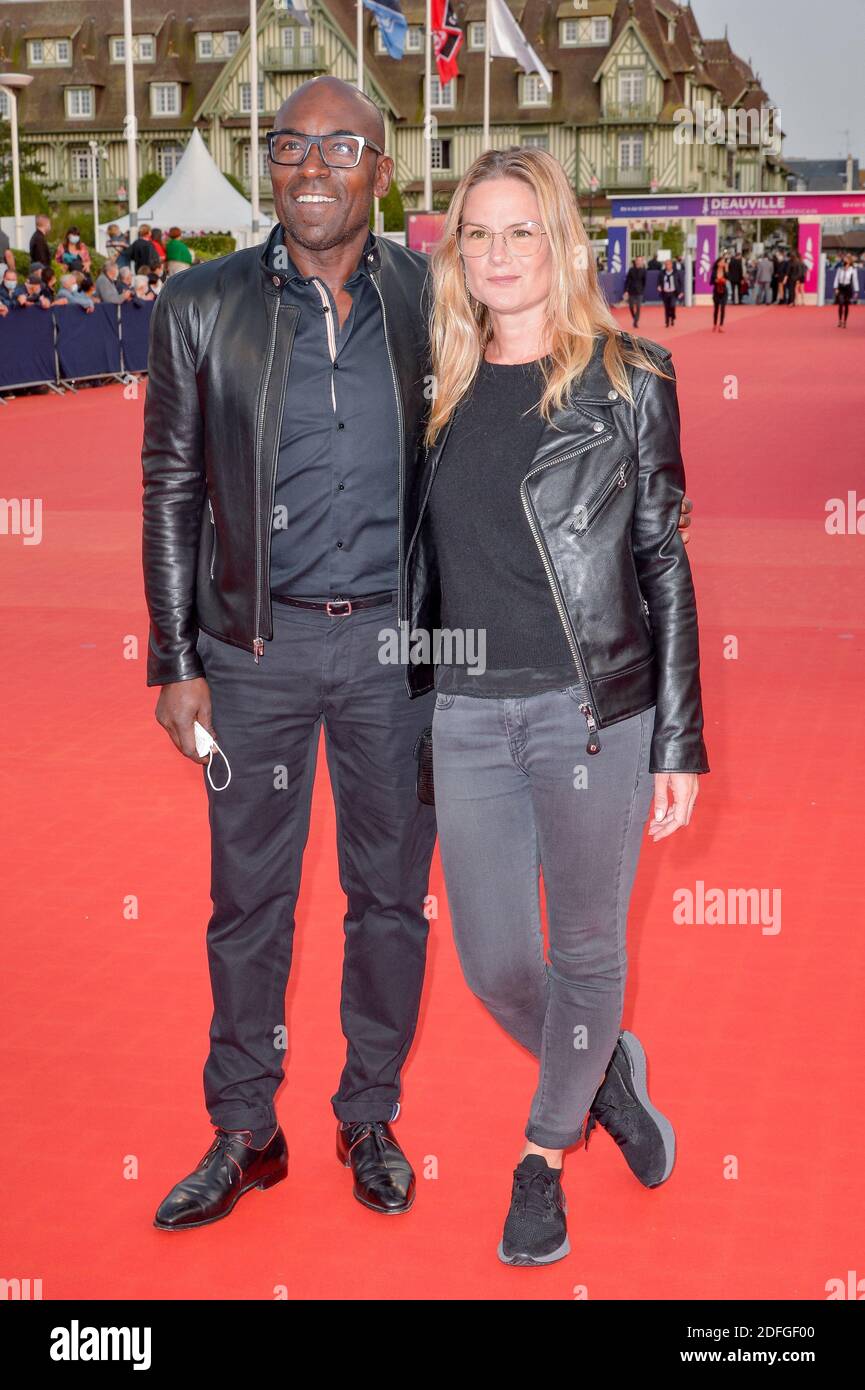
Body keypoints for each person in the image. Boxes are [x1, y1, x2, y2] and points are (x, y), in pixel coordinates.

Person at [142, 76, 695, 1235]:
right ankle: (245, 1128)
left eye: (339, 147)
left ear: (379, 172)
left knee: (391, 902)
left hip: (407, 659)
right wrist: (173, 656)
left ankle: (368, 1114)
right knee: (247, 903)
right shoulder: (201, 305)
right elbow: (172, 485)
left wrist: (674, 729)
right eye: (288, 146)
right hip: (252, 653)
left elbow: (634, 536)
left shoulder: (420, 302)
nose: (310, 168)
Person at [405, 146, 708, 1266]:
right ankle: (604, 1076)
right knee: (491, 958)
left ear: (562, 241)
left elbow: (663, 565)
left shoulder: (632, 378)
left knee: (584, 951)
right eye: (475, 233)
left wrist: (678, 738)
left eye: (519, 229)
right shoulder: (432, 384)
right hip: (469, 714)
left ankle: (541, 1154)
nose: (496, 253)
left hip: (595, 710)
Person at [834, 253, 859, 328]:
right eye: (845, 259)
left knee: (846, 305)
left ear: (850, 261)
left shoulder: (853, 270)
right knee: (841, 303)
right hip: (841, 287)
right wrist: (836, 288)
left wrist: (856, 291)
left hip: (848, 288)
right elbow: (836, 278)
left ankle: (845, 321)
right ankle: (840, 320)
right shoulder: (840, 269)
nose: (845, 260)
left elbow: (855, 280)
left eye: (847, 259)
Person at [659, 257, 683, 326]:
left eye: (668, 264)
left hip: (673, 292)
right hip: (665, 292)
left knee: (672, 305)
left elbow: (681, 282)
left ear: (671, 265)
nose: (667, 266)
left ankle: (672, 317)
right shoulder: (662, 273)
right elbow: (659, 282)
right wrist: (659, 286)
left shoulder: (676, 273)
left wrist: (681, 291)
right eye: (666, 264)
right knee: (666, 307)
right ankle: (667, 322)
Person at [623, 255, 646, 328]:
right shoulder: (631, 270)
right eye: (637, 260)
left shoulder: (644, 270)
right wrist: (626, 290)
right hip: (631, 291)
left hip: (639, 292)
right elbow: (627, 281)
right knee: (631, 307)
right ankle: (634, 317)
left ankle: (635, 321)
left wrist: (642, 290)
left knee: (638, 307)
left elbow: (644, 281)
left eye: (640, 260)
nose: (638, 262)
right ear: (635, 261)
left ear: (641, 262)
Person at [711, 256, 728, 331]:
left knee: (723, 308)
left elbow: (729, 277)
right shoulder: (714, 271)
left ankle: (721, 325)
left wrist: (727, 270)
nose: (723, 263)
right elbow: (710, 282)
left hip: (724, 291)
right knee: (716, 309)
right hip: (716, 291)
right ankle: (715, 324)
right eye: (722, 262)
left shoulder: (725, 270)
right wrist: (716, 281)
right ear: (718, 263)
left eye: (724, 262)